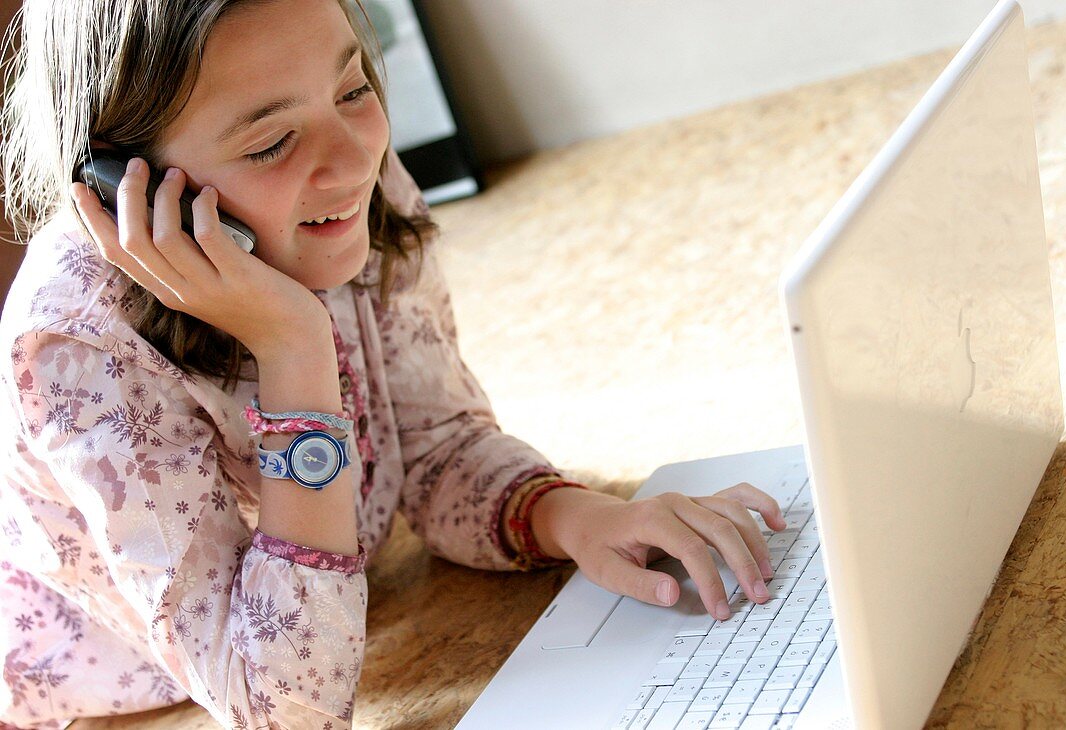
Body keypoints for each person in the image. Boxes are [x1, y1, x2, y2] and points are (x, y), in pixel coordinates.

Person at [0, 0, 786, 727]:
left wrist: (580, 519)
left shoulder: (345, 181)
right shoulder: (77, 345)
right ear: (121, 186)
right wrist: (294, 348)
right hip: (131, 690)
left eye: (350, 90)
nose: (353, 160)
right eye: (271, 142)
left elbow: (434, 442)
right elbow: (287, 707)